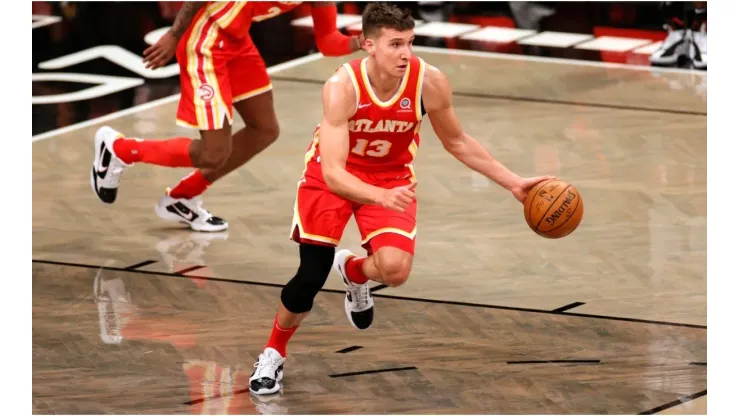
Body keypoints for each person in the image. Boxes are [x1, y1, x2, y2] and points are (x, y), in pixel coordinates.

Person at [248, 2, 554, 395]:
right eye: (395, 45)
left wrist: (513, 182)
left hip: (391, 176)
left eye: (409, 43)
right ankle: (273, 353)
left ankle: (355, 272)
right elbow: (334, 173)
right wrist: (379, 196)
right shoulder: (342, 87)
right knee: (310, 276)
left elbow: (457, 140)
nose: (405, 54)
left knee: (395, 270)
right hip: (333, 177)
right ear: (369, 45)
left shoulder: (429, 82)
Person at [90, 1, 364, 231]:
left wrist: (363, 41)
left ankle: (182, 197)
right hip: (204, 41)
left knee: (265, 129)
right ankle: (120, 149)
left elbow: (328, 42)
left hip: (237, 41)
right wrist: (175, 33)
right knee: (212, 153)